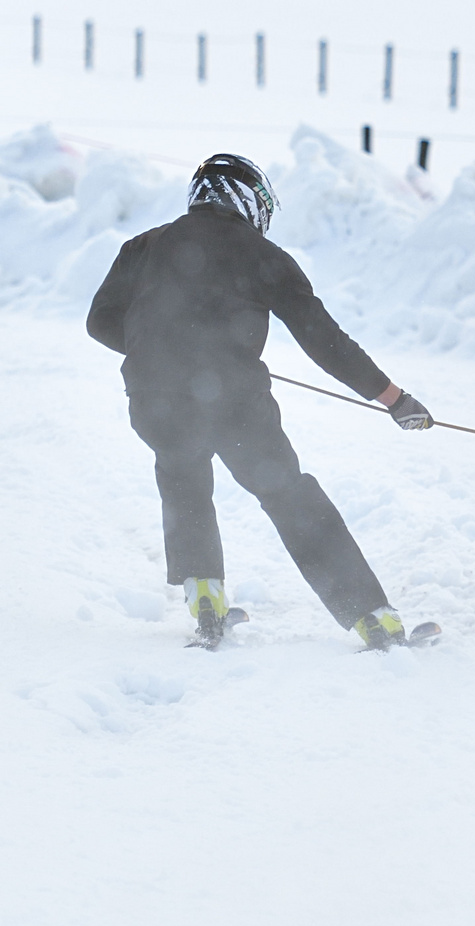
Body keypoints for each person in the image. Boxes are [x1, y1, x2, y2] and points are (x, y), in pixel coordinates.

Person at [87, 154, 434, 649]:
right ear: (248, 201)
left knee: (182, 471)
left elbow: (99, 320)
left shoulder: (143, 246)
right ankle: (372, 617)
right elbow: (324, 340)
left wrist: (162, 349)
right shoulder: (263, 256)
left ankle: (205, 599)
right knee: (288, 493)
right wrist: (392, 398)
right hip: (234, 402)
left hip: (153, 396)